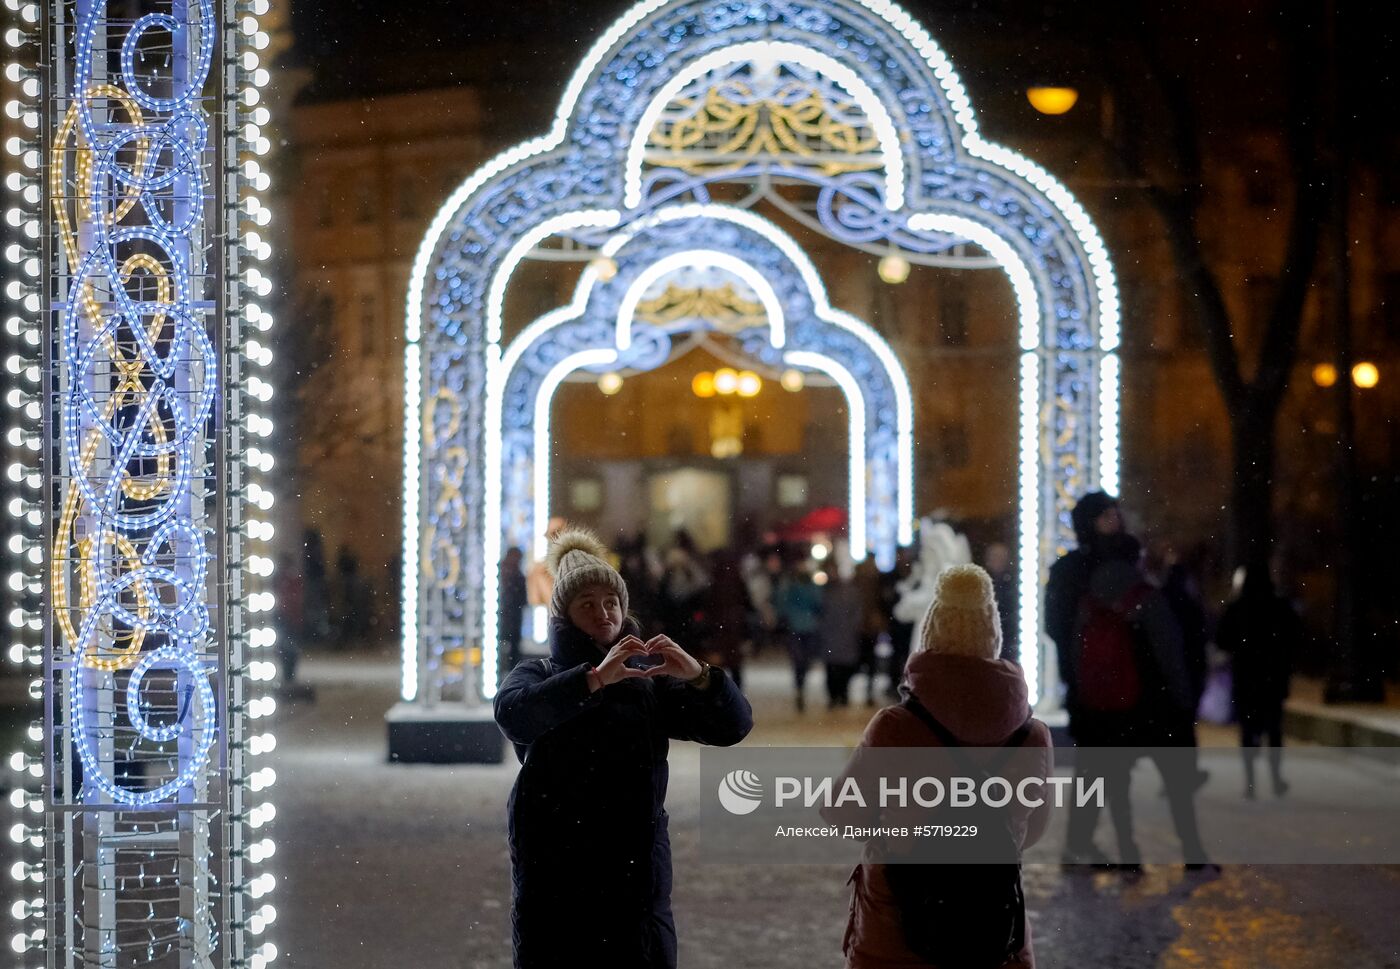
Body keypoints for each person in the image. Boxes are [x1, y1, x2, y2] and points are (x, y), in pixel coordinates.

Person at [494, 527, 752, 969]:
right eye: (587, 604)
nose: (603, 612)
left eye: (610, 602)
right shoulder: (538, 672)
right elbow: (514, 715)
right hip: (559, 874)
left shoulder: (645, 683)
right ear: (564, 616)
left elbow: (731, 727)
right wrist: (591, 680)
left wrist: (700, 676)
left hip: (636, 875)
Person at [824, 564, 1053, 969]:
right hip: (992, 929)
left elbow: (843, 813)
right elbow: (1033, 831)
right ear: (993, 637)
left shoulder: (895, 728)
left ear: (930, 634)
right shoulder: (1033, 736)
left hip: (898, 927)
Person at [1216, 568, 1301, 798]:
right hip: (1273, 678)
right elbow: (1295, 637)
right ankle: (1275, 778)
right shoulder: (1280, 607)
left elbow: (1222, 639)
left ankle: (1250, 781)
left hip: (1246, 677)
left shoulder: (1237, 608)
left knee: (1248, 730)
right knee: (1273, 730)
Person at [776, 561, 824, 712]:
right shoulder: (809, 588)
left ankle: (799, 687)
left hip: (797, 628)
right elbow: (818, 604)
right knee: (803, 661)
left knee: (799, 661)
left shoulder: (790, 588)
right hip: (806, 628)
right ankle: (800, 687)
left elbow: (782, 606)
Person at [497, 547, 529, 685]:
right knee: (512, 649)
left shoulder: (504, 574)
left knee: (507, 648)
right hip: (510, 618)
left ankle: (505, 674)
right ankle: (510, 676)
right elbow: (523, 600)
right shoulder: (515, 575)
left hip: (507, 618)